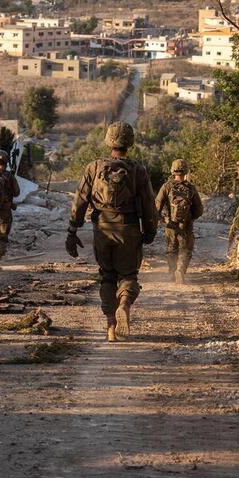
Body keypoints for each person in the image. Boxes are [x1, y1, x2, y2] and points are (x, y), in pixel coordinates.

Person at [66, 122, 157, 342]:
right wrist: (149, 231)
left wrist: (72, 230)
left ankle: (111, 328)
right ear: (130, 142)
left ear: (109, 140)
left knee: (107, 276)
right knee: (129, 275)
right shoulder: (138, 170)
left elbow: (79, 200)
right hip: (130, 229)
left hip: (103, 230)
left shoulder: (94, 167)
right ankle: (124, 304)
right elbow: (149, 205)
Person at [155, 159, 204, 284]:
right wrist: (190, 218)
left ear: (172, 171)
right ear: (186, 171)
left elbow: (157, 207)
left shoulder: (166, 186)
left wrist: (163, 219)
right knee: (186, 249)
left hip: (170, 225)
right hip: (186, 225)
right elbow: (199, 210)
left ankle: (172, 273)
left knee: (172, 249)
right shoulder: (191, 188)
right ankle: (180, 270)